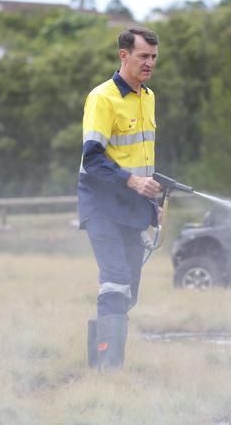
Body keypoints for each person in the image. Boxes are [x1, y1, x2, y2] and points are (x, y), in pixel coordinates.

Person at [78, 27, 162, 369]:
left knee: (129, 291)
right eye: (143, 56)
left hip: (134, 206)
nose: (150, 63)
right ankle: (106, 370)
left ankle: (110, 361)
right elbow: (92, 158)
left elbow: (142, 159)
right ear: (123, 55)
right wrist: (132, 182)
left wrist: (155, 204)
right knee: (114, 282)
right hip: (102, 204)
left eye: (154, 57)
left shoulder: (148, 97)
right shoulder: (102, 98)